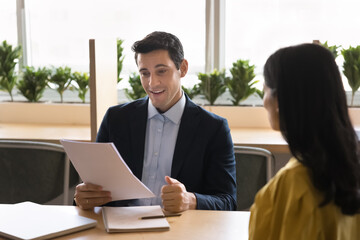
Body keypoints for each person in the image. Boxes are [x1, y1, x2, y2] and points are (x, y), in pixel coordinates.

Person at [74, 31, 237, 212]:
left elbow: (228, 202)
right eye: (145, 73)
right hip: (121, 230)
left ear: (182, 68)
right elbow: (93, 189)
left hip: (181, 231)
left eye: (161, 71)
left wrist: (190, 200)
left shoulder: (213, 129)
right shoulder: (116, 119)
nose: (152, 83)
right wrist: (83, 197)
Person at [249, 43, 360, 239]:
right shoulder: (349, 173)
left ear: (279, 101)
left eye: (265, 89)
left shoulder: (292, 186)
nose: (263, 100)